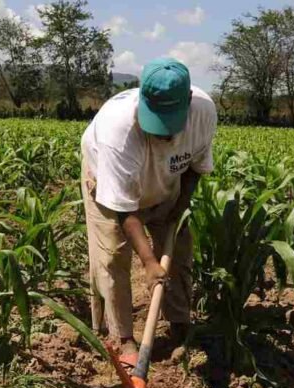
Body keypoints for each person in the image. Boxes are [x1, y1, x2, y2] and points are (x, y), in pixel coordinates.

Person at [80, 57, 217, 370]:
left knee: (179, 247)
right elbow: (123, 210)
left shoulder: (204, 113)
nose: (162, 134)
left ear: (188, 102)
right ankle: (123, 337)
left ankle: (179, 323)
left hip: (167, 181)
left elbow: (195, 169)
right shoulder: (118, 130)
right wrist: (149, 261)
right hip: (109, 182)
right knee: (113, 254)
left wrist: (177, 212)